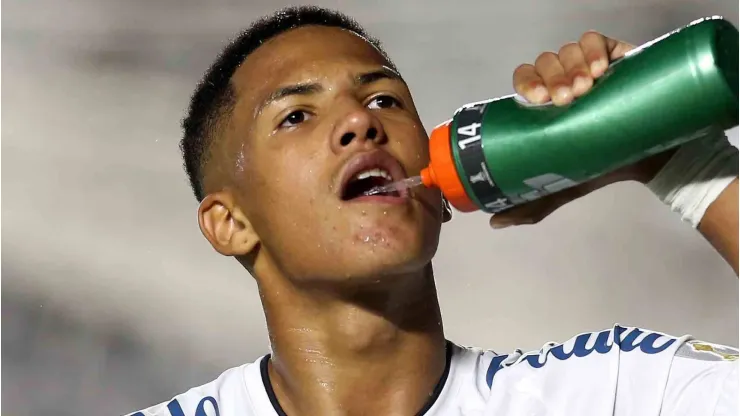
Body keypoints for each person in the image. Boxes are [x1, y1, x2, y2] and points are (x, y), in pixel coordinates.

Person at [129, 6, 739, 416]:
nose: (360, 122)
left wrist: (677, 163)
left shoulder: (610, 392)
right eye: (296, 116)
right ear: (230, 224)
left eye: (385, 99)